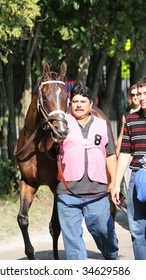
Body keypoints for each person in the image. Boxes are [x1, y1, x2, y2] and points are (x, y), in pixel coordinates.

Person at [56, 84, 119, 260]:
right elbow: (47, 149)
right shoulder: (61, 124)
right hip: (68, 192)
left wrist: (113, 181)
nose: (78, 105)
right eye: (75, 101)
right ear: (70, 103)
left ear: (91, 104)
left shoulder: (102, 124)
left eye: (83, 101)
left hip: (97, 191)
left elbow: (110, 154)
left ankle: (111, 253)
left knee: (102, 229)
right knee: (73, 242)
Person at [112, 76, 146, 260]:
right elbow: (125, 152)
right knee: (138, 230)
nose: (141, 97)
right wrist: (117, 183)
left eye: (145, 93)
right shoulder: (131, 120)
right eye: (139, 94)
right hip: (137, 179)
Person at [116, 84, 140, 157]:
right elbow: (121, 136)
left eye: (137, 94)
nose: (135, 97)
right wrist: (117, 154)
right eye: (133, 95)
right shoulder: (126, 116)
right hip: (131, 155)